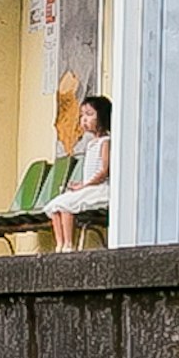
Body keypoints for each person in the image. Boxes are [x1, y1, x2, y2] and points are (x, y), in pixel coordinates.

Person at [47, 95, 114, 251]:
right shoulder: (91, 144)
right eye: (82, 115)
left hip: (100, 188)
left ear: (102, 117)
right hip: (88, 187)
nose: (84, 119)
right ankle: (60, 244)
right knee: (55, 206)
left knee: (66, 205)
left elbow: (103, 171)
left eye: (89, 115)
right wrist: (80, 185)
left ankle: (69, 244)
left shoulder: (106, 142)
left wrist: (85, 185)